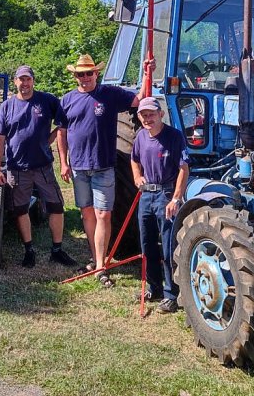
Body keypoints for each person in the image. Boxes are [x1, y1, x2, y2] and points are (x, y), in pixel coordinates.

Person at [57, 53, 154, 288]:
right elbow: (62, 132)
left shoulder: (109, 94)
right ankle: (97, 257)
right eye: (80, 74)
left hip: (104, 167)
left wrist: (146, 72)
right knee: (87, 214)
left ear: (96, 74)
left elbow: (140, 99)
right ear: (75, 76)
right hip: (79, 167)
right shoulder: (67, 100)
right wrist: (63, 162)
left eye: (89, 72)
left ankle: (101, 266)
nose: (85, 77)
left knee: (104, 214)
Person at [0, 65, 77, 268]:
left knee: (56, 206)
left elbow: (65, 120)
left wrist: (51, 137)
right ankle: (28, 250)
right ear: (15, 82)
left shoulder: (46, 100)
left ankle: (57, 250)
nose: (25, 83)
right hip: (17, 168)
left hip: (43, 167)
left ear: (33, 81)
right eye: (21, 79)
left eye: (28, 79)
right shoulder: (7, 107)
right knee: (21, 210)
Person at [130, 97, 189, 313]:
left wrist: (175, 198)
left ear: (160, 114)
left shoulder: (174, 136)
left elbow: (184, 168)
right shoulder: (140, 136)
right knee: (146, 243)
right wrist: (137, 178)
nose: (148, 119)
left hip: (166, 194)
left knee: (167, 246)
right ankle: (152, 288)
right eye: (144, 115)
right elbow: (134, 159)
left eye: (151, 114)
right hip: (146, 195)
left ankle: (171, 294)